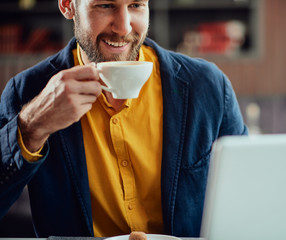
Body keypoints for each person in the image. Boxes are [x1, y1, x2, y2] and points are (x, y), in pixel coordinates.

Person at [0, 0, 248, 238]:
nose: (124, 27)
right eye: (105, 5)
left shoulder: (208, 86)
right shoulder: (27, 92)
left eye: (136, 5)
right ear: (68, 5)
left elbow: (249, 196)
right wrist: (32, 126)